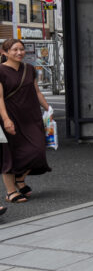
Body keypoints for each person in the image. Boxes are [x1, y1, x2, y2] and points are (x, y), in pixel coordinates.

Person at [0, 39, 51, 205]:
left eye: (21, 49)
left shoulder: (29, 69)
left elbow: (37, 92)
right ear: (4, 52)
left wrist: (48, 109)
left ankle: (20, 179)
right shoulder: (1, 71)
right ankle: (11, 191)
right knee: (10, 155)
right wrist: (6, 119)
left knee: (38, 150)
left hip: (32, 117)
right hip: (10, 117)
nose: (19, 52)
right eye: (14, 50)